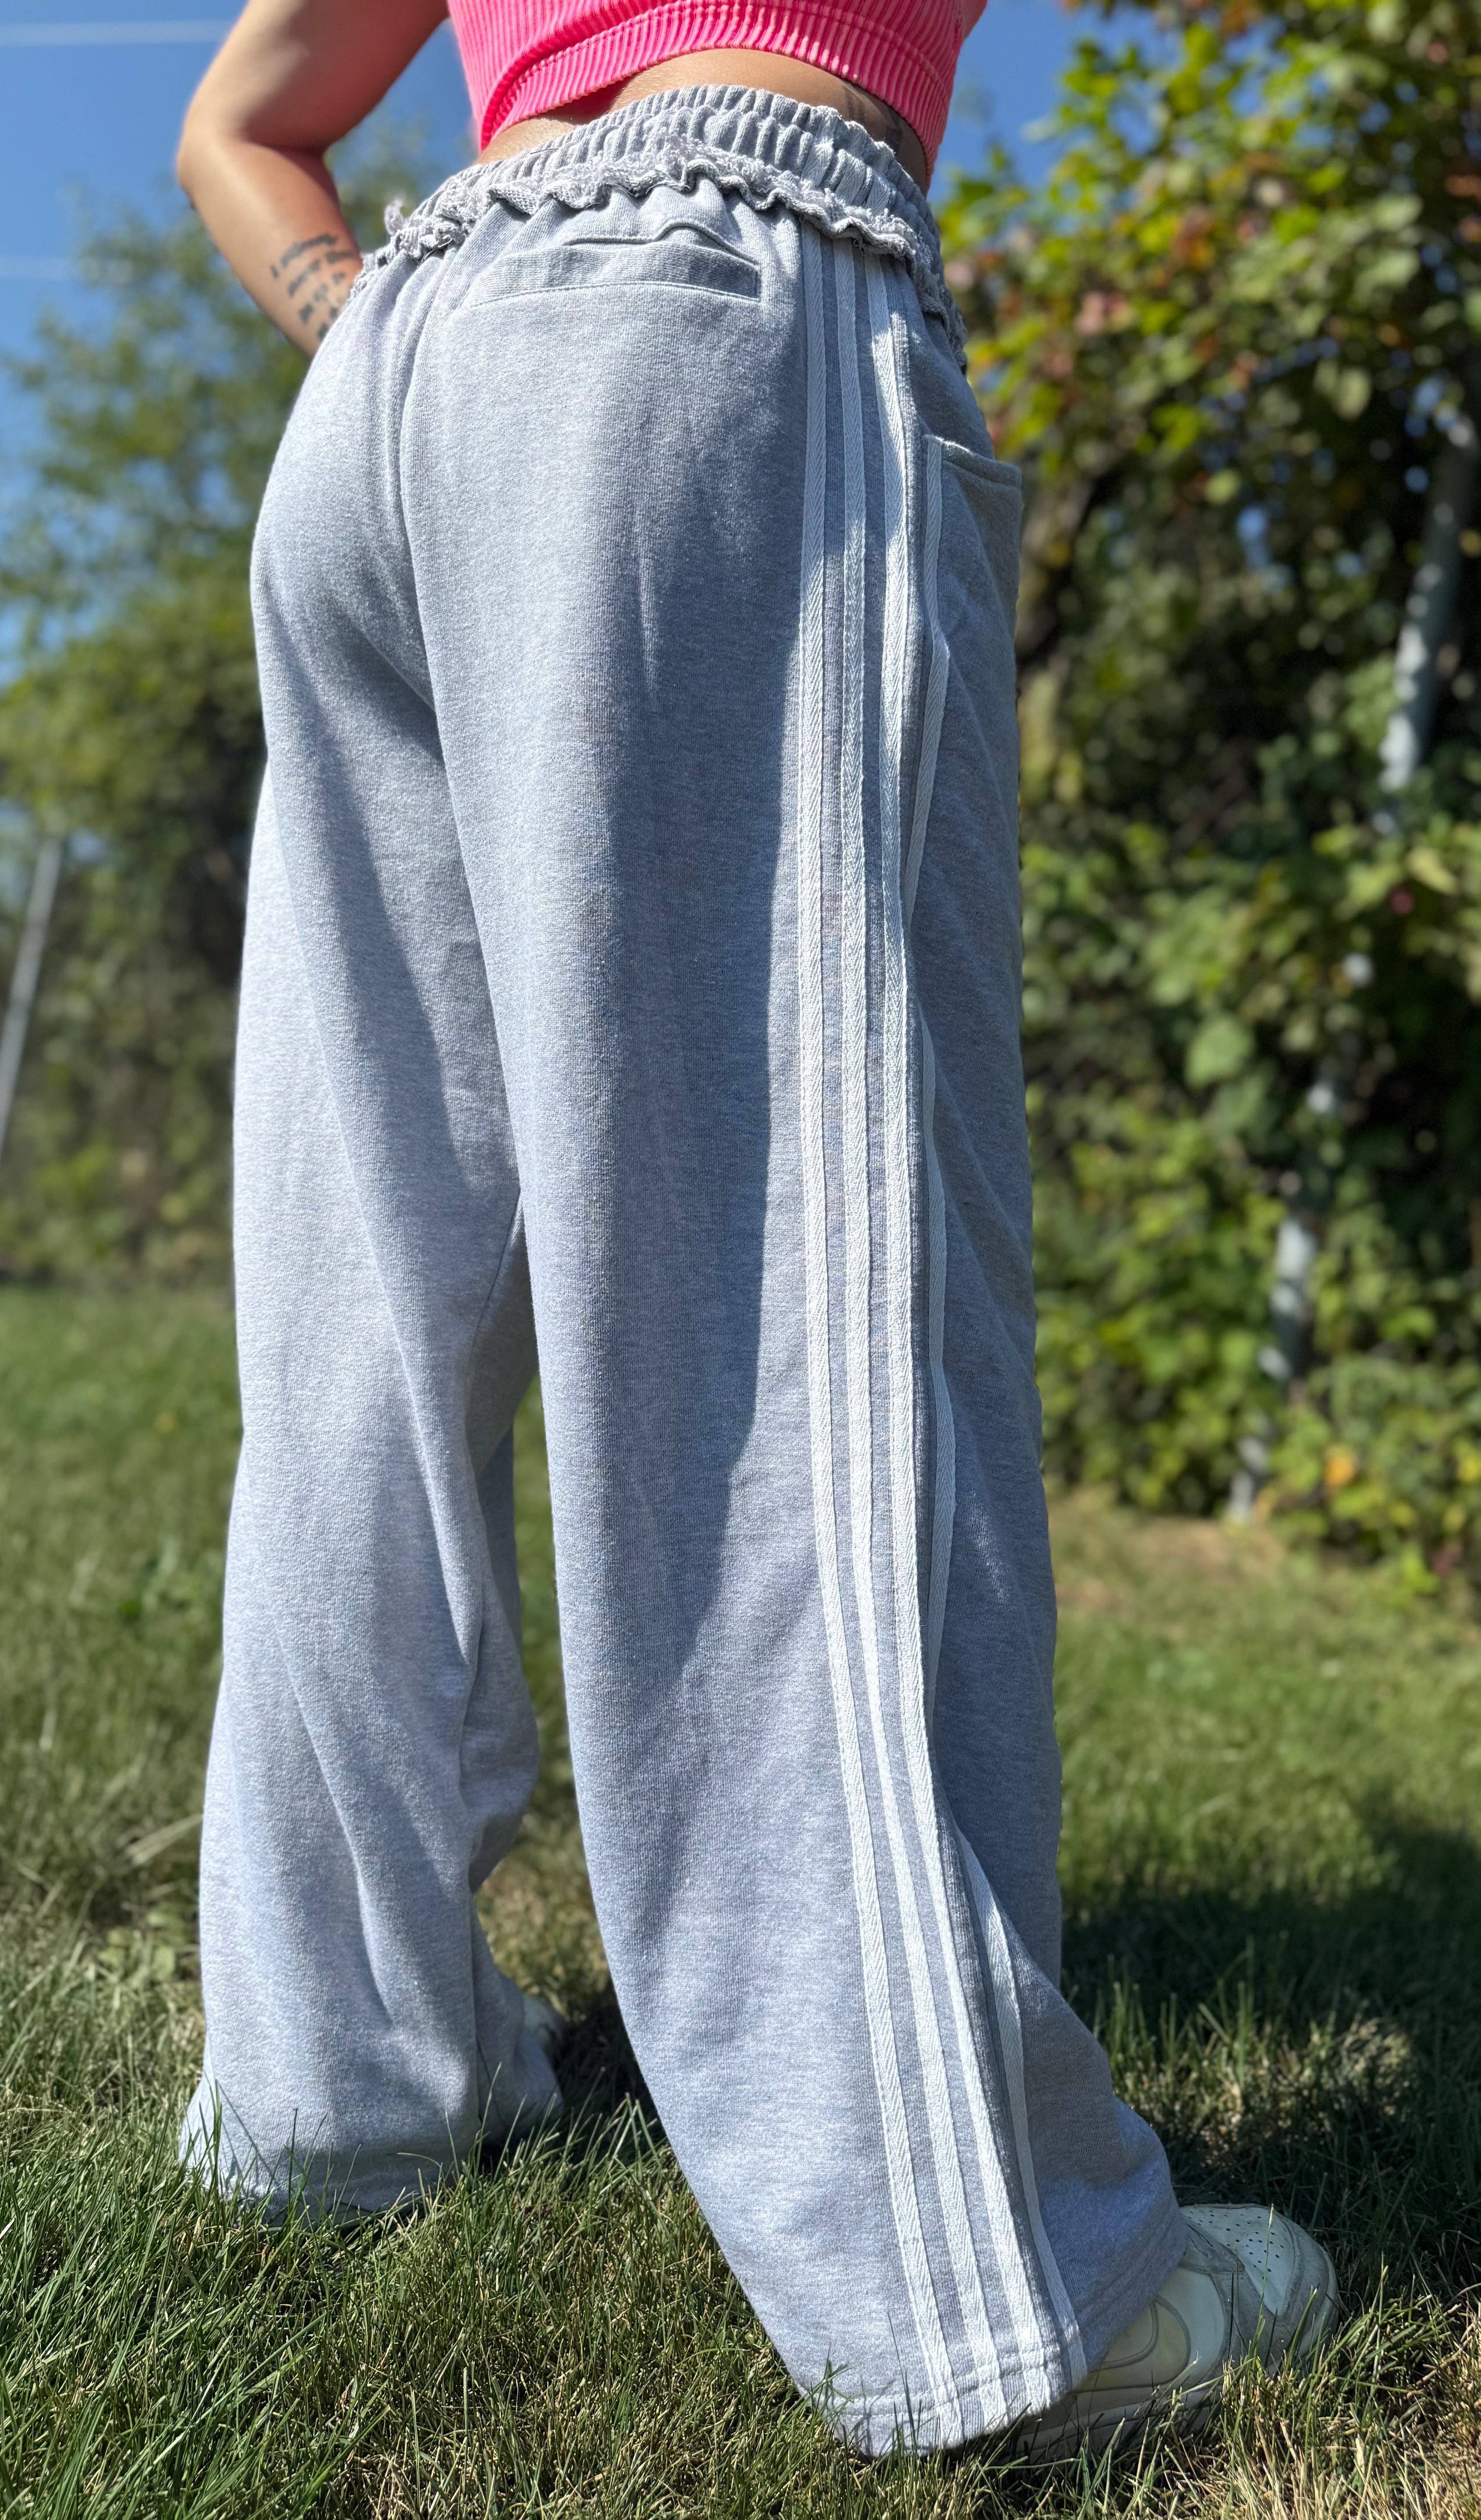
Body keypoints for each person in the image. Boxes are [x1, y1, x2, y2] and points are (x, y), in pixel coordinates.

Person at [174, 0, 1338, 2461]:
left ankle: (339, 2088)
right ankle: (989, 2282)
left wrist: (372, 313)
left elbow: (241, 127)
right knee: (794, 1302)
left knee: (368, 1309)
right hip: (714, 303)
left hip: (403, 379)